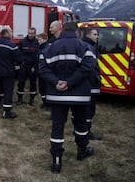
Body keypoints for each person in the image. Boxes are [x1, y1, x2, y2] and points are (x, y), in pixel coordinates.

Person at [38, 22, 95, 174]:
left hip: (57, 96)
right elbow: (88, 67)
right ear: (77, 31)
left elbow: (42, 69)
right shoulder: (84, 47)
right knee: (81, 125)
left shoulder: (50, 47)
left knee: (57, 127)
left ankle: (56, 161)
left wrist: (56, 82)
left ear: (62, 30)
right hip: (79, 96)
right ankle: (82, 150)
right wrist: (70, 83)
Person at [81, 28, 102, 140]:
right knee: (89, 110)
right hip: (90, 84)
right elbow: (91, 68)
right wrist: (97, 81)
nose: (97, 36)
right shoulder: (89, 48)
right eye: (95, 34)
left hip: (86, 84)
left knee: (85, 110)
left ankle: (82, 130)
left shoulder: (86, 46)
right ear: (88, 35)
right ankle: (86, 132)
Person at [16, 27, 39, 106]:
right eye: (29, 33)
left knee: (33, 83)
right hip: (24, 65)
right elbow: (18, 53)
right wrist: (21, 62)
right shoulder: (22, 42)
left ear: (35, 34)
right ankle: (19, 99)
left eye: (32, 33)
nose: (30, 35)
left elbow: (38, 55)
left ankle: (31, 100)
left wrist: (35, 66)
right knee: (21, 82)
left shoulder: (37, 42)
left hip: (33, 66)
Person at [36, 32, 50, 111]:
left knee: (45, 88)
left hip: (45, 72)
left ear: (45, 39)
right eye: (38, 40)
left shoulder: (46, 48)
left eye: (40, 39)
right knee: (41, 88)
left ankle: (48, 104)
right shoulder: (41, 48)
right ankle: (45, 102)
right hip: (41, 72)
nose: (38, 41)